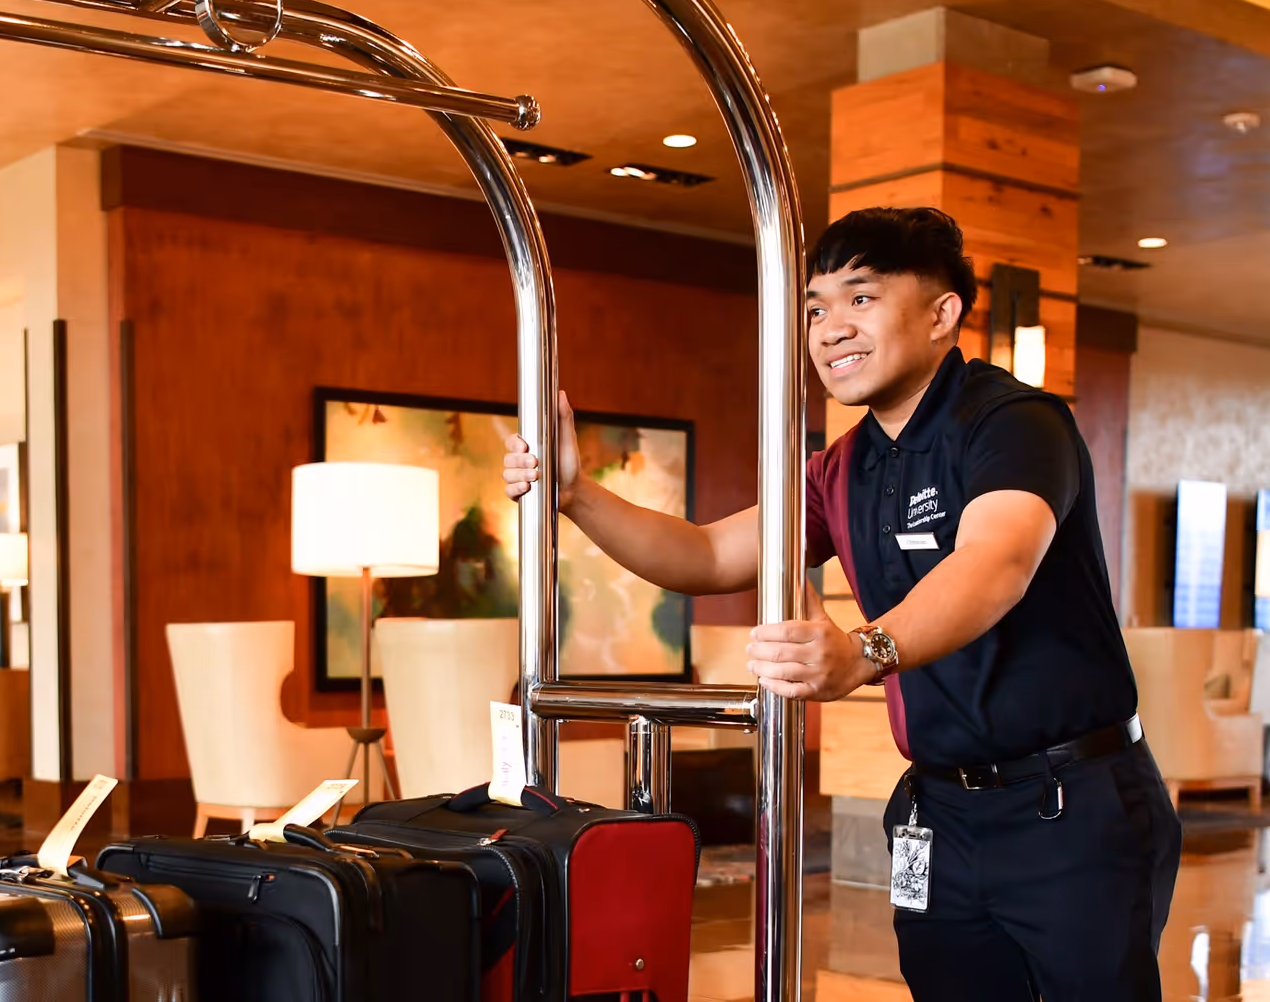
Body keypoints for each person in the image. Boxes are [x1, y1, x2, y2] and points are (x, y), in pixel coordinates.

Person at [503, 206, 1181, 1000]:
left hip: (1072, 808)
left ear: (941, 314)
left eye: (860, 298)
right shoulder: (843, 468)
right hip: (943, 813)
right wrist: (578, 496)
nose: (830, 329)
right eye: (817, 308)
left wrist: (862, 652)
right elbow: (707, 553)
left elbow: (998, 562)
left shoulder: (1012, 423)